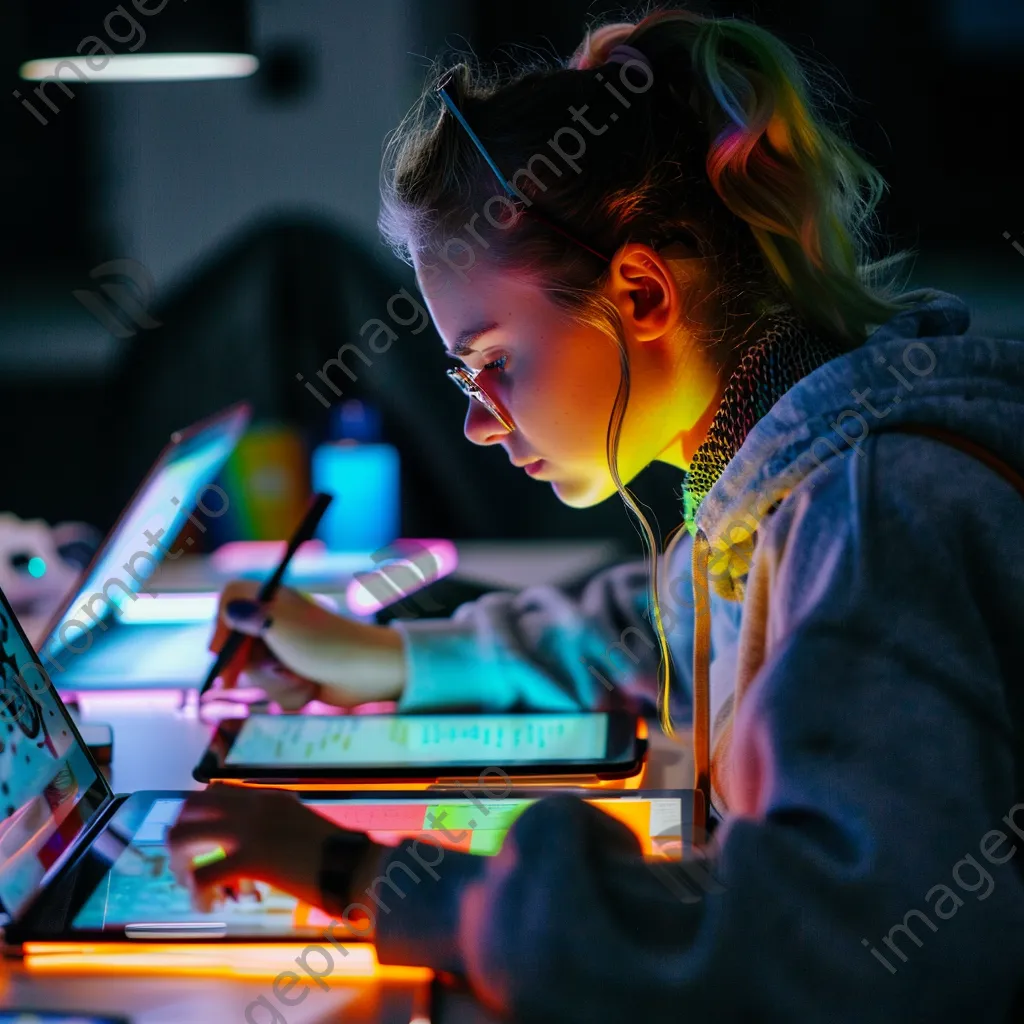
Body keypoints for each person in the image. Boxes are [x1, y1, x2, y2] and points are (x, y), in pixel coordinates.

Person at [166, 9, 1024, 1022]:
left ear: (641, 293)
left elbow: (837, 949)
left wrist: (364, 875)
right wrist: (385, 660)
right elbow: (653, 633)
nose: (477, 424)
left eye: (493, 362)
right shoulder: (778, 478)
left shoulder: (870, 513)